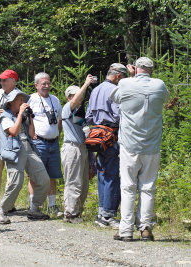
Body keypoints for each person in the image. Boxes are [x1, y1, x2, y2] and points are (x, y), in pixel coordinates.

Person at [111, 57, 169, 241]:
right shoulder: (160, 85)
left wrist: (130, 77)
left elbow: (114, 97)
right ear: (151, 70)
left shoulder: (126, 83)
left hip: (129, 145)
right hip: (152, 144)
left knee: (128, 187)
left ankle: (126, 231)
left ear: (136, 69)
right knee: (148, 187)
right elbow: (165, 99)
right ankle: (145, 228)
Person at [0, 90, 50, 224]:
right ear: (11, 102)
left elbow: (32, 134)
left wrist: (30, 118)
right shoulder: (5, 116)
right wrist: (20, 114)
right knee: (16, 182)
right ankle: (2, 211)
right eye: (20, 100)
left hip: (28, 148)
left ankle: (34, 208)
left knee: (44, 179)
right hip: (14, 151)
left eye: (23, 100)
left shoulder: (24, 116)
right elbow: (13, 131)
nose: (23, 102)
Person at [85, 63, 127, 229]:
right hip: (111, 136)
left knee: (102, 173)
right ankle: (108, 215)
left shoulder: (96, 90)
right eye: (123, 78)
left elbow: (88, 116)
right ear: (118, 76)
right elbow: (119, 114)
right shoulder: (114, 90)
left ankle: (101, 213)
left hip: (96, 135)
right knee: (112, 175)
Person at [27, 72, 63, 217]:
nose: (46, 86)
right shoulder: (31, 99)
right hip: (39, 142)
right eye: (43, 84)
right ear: (36, 85)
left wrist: (56, 133)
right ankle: (33, 206)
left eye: (48, 83)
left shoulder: (55, 100)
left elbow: (59, 119)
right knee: (35, 176)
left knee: (52, 176)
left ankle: (52, 206)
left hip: (53, 143)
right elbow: (26, 118)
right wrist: (31, 133)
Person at [61, 75, 93, 223]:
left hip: (82, 148)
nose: (80, 97)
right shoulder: (67, 108)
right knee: (73, 182)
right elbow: (74, 101)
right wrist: (86, 84)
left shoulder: (80, 113)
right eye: (76, 95)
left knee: (83, 183)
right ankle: (70, 213)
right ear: (69, 97)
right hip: (72, 148)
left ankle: (77, 211)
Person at [0, 69, 22, 207]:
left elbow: (23, 117)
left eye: (5, 80)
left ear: (13, 81)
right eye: (1, 80)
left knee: (12, 173)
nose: (2, 82)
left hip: (14, 140)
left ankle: (9, 204)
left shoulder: (19, 96)